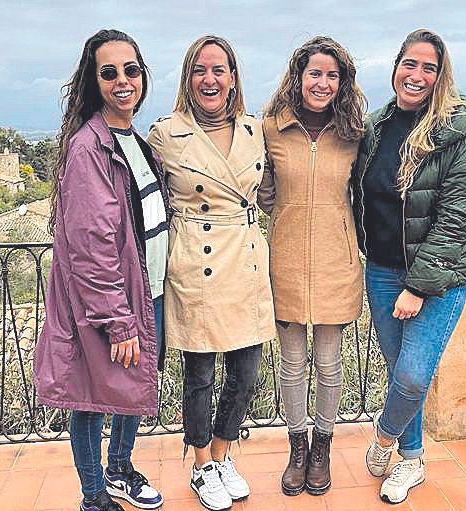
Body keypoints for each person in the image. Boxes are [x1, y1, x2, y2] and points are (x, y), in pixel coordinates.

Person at [351, 28, 466, 505]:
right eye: (410, 63)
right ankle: (411, 459)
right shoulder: (376, 126)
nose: (417, 75)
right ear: (395, 67)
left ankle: (384, 439)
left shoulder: (455, 133)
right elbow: (359, 196)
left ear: (440, 75)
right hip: (382, 270)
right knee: (400, 372)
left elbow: (454, 217)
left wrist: (417, 287)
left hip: (439, 277)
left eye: (428, 67)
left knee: (411, 375)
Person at [33, 29, 168, 511]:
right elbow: (93, 245)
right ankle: (95, 496)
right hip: (112, 301)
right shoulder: (89, 147)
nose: (122, 80)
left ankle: (119, 470)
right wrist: (116, 320)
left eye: (131, 70)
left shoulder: (133, 140)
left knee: (131, 386)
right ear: (95, 81)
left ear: (142, 75)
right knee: (90, 400)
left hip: (145, 292)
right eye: (109, 72)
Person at [147, 35, 276, 511]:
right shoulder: (165, 134)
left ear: (233, 78)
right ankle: (201, 465)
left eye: (219, 70)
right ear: (188, 79)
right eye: (201, 70)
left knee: (245, 373)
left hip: (243, 255)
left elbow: (270, 192)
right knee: (199, 375)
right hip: (194, 260)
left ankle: (222, 455)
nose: (210, 79)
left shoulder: (255, 129)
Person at [258, 35, 366, 497]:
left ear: (342, 83)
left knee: (328, 364)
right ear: (298, 77)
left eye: (331, 75)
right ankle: (297, 446)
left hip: (336, 263)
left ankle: (322, 445)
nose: (322, 83)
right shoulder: (270, 128)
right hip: (284, 261)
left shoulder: (354, 134)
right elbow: (260, 190)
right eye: (314, 73)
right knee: (291, 365)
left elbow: (364, 193)